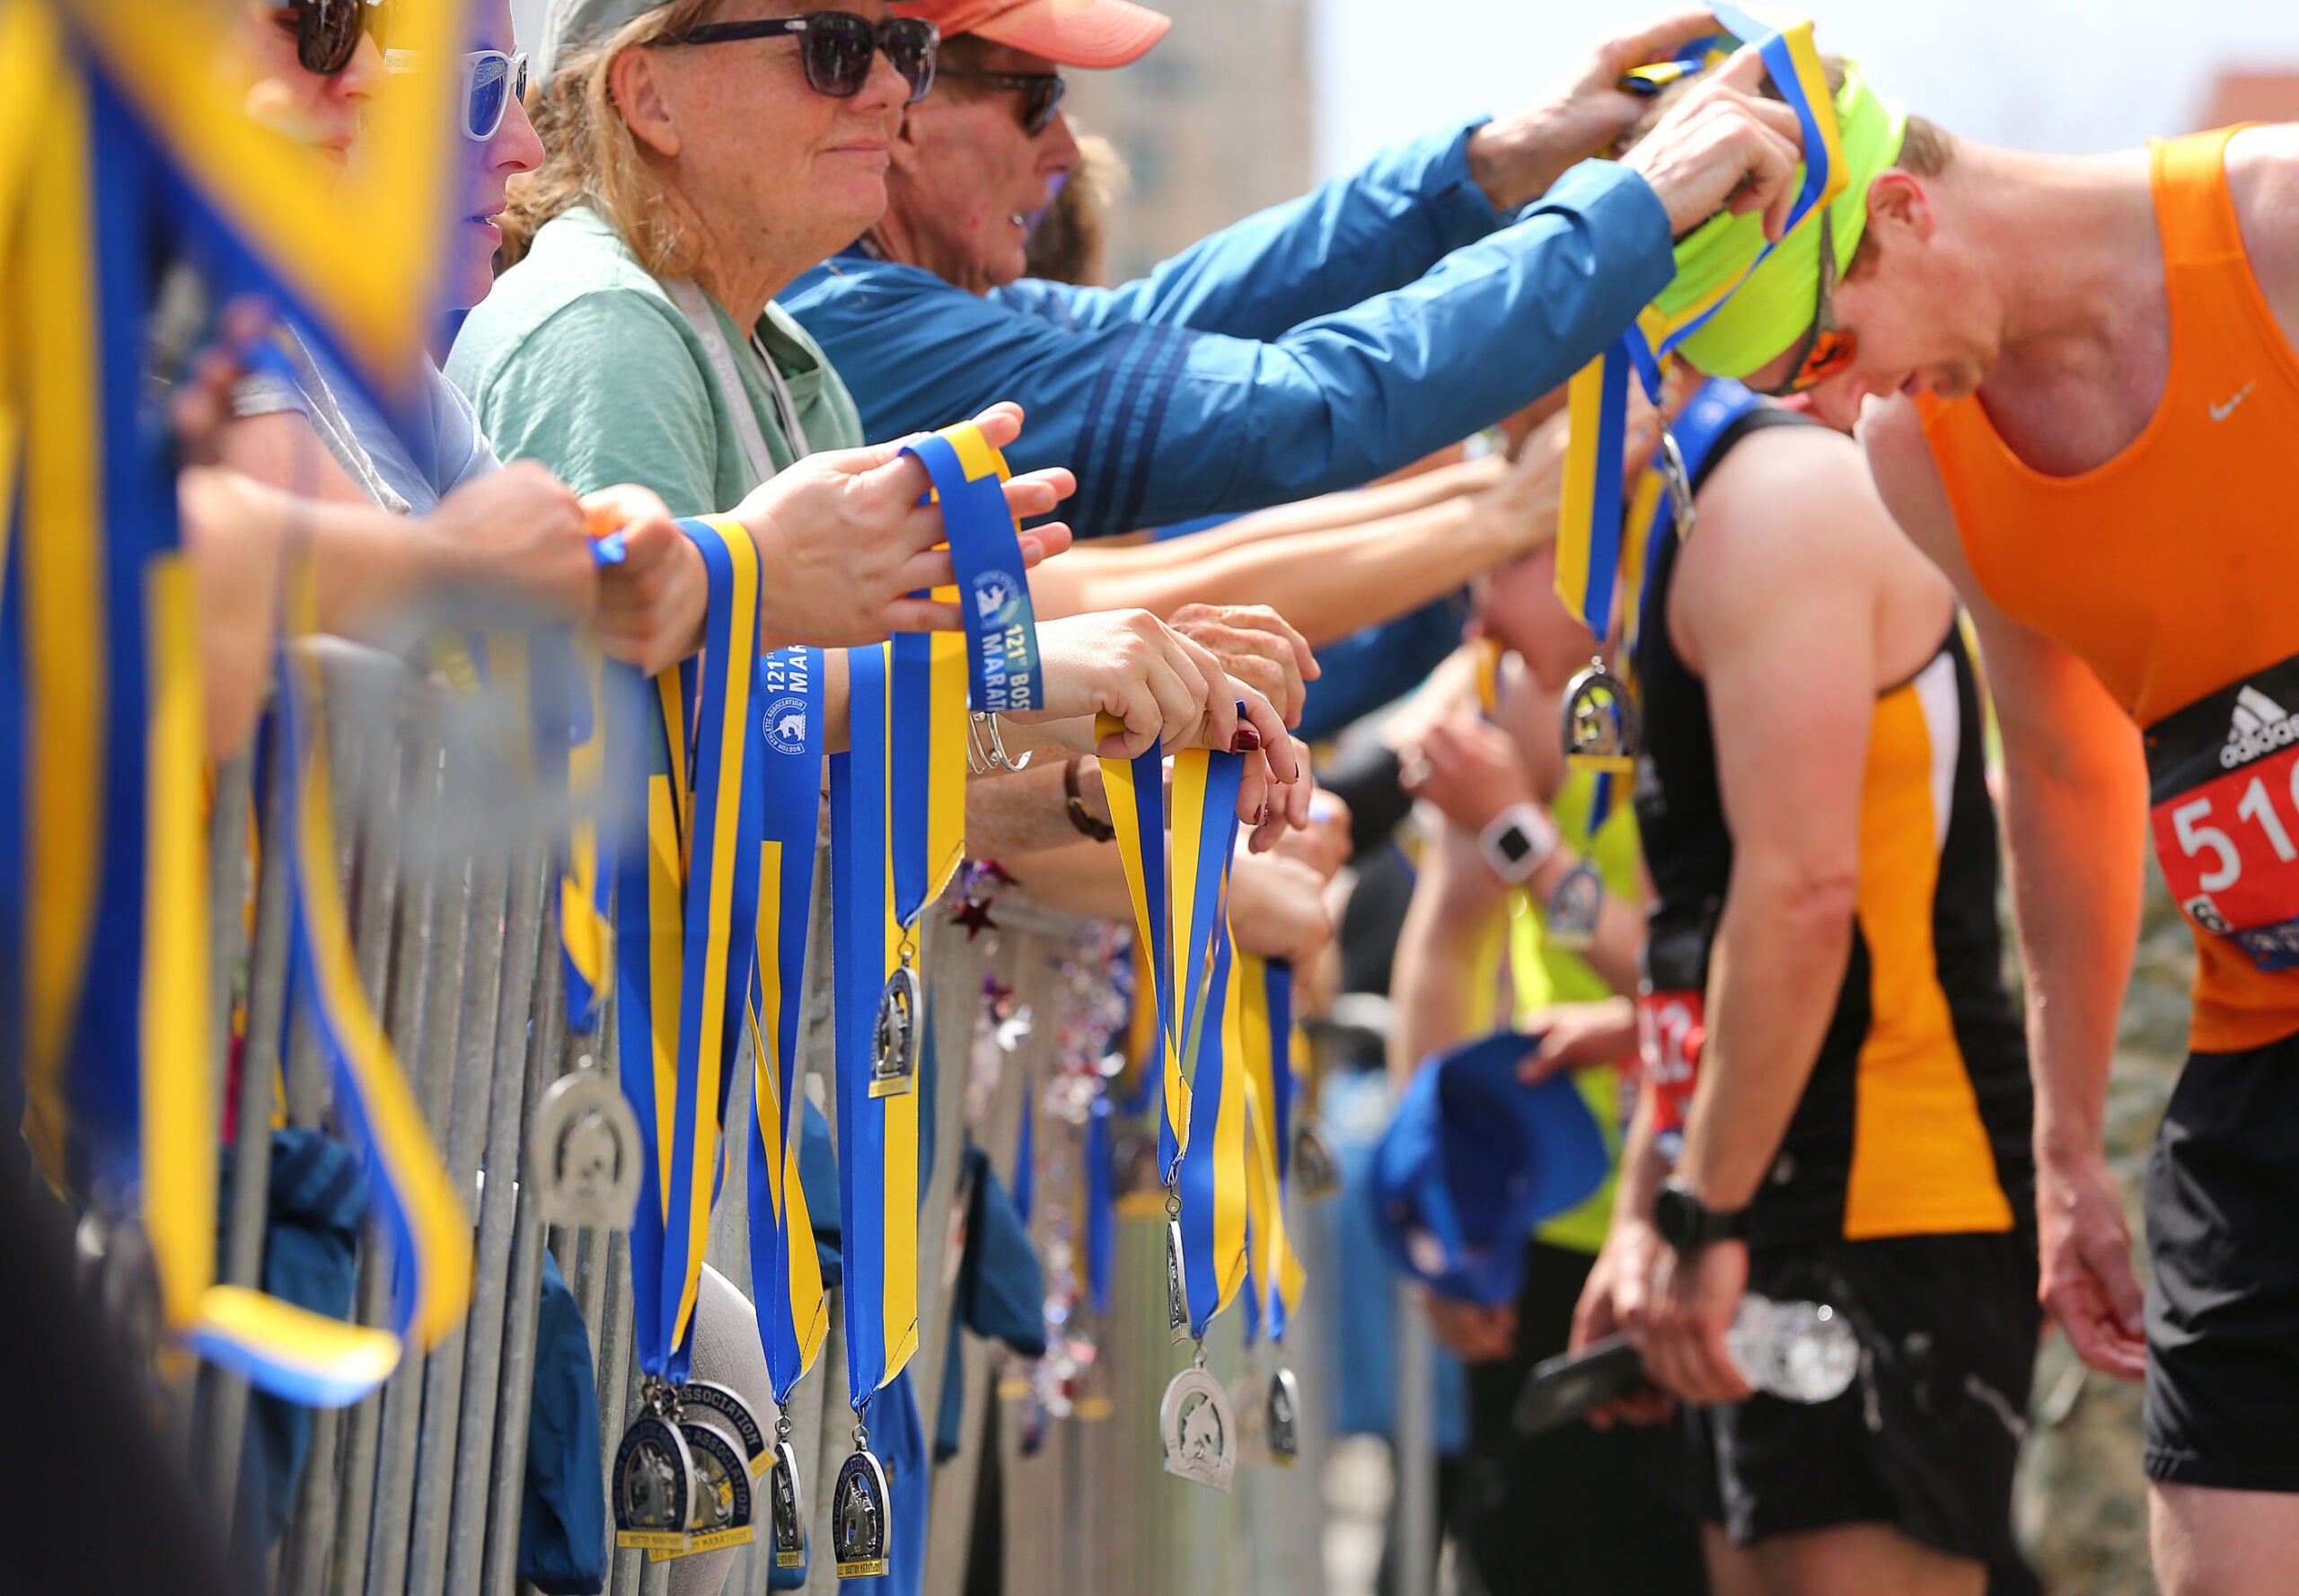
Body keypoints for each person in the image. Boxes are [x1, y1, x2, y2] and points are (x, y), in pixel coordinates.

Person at [1652, 43, 2299, 1595]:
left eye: (1826, 343)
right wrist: (2068, 1147)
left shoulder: (2275, 227)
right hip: (2254, 1051)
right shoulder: (1914, 446)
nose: (1835, 397)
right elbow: (2069, 770)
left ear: (1902, 211)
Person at [783, 2, 1815, 536]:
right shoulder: (865, 318)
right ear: (904, 115)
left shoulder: (887, 300)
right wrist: (1629, 207)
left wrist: (1491, 166)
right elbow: (1304, 406)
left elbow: (1174, 313)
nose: (1064, 154)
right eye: (1037, 102)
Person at [1387, 532, 1704, 1593]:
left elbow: (1690, 976)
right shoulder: (1521, 698)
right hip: (1553, 1215)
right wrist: (1435, 1214)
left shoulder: (1741, 651)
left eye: (1515, 555)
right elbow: (1442, 955)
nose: (1474, 616)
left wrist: (1520, 834)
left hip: (1727, 1200)